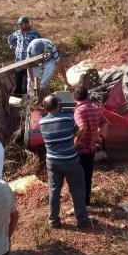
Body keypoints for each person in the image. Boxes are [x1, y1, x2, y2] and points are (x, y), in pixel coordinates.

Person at [38, 96, 92, 229]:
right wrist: (75, 140)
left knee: (54, 190)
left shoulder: (42, 123)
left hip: (52, 162)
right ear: (58, 105)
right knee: (77, 190)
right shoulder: (68, 119)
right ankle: (82, 220)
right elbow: (77, 131)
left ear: (45, 108)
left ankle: (53, 220)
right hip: (70, 160)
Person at [73, 86, 110, 209]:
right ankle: (86, 200)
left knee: (78, 177)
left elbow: (82, 127)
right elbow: (106, 123)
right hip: (91, 149)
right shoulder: (95, 108)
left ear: (75, 98)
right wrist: (98, 136)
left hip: (81, 150)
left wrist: (77, 141)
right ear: (87, 96)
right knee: (88, 176)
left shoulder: (79, 111)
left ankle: (80, 203)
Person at [7, 16, 41, 96]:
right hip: (18, 61)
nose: (20, 26)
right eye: (19, 25)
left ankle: (26, 100)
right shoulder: (17, 33)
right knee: (18, 81)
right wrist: (14, 47)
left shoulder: (34, 34)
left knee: (26, 82)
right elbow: (10, 39)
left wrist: (35, 55)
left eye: (22, 24)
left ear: (27, 24)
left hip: (28, 62)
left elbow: (40, 44)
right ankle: (17, 99)